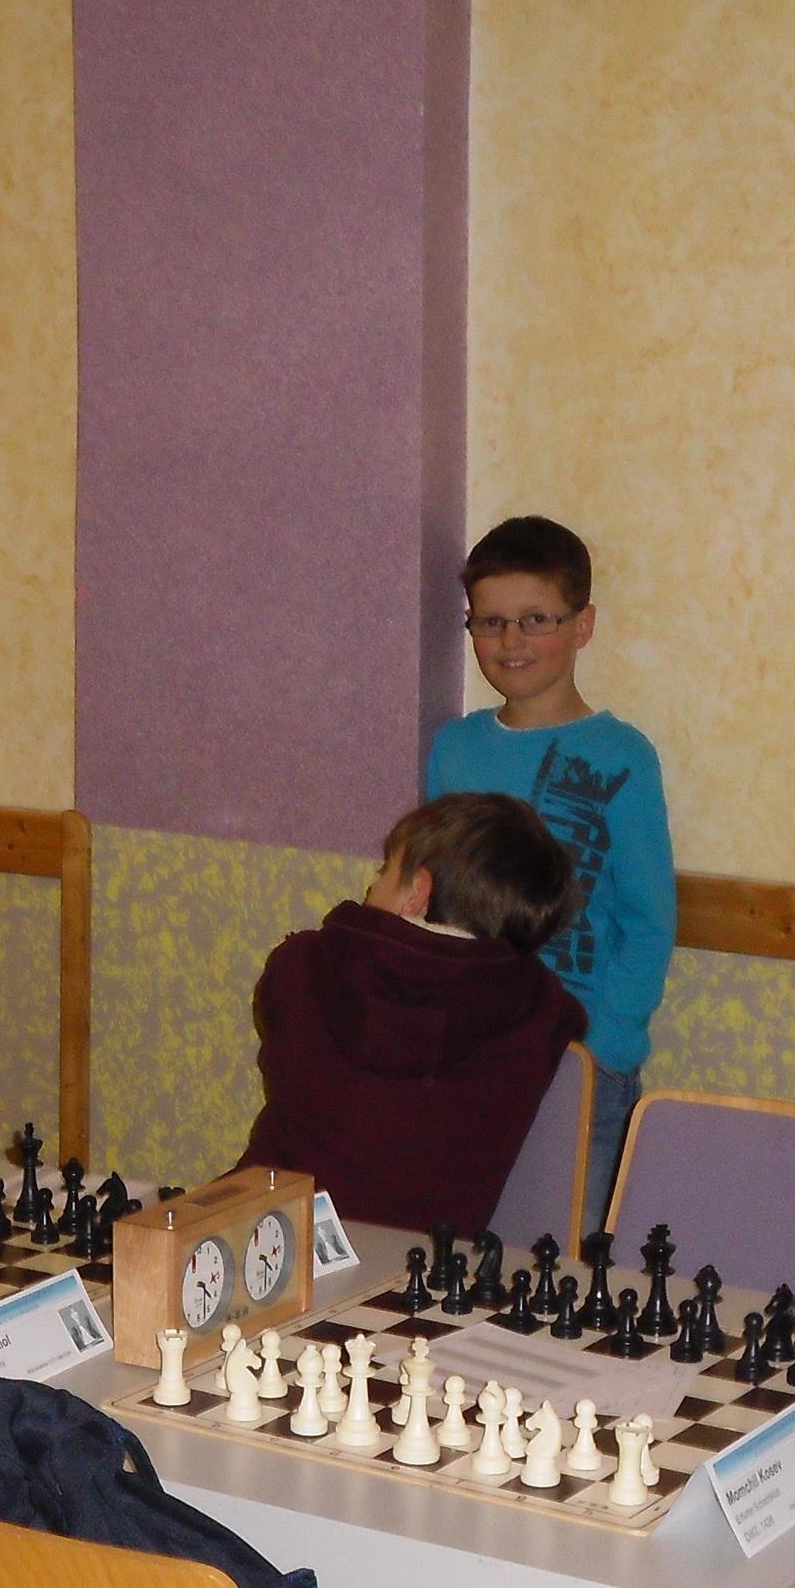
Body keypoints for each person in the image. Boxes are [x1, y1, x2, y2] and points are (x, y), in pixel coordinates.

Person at [424, 515, 675, 1235]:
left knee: (563, 1251)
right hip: (467, 1049)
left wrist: (606, 1046)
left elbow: (648, 920)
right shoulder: (454, 749)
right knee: (460, 1241)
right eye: (490, 622)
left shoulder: (622, 756)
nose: (511, 642)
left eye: (536, 619)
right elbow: (434, 901)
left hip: (580, 1059)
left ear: (582, 625)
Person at [234, 793, 584, 1235]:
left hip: (264, 1237)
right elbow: (569, 1017)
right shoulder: (537, 1010)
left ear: (416, 892)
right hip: (428, 1263)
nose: (371, 887)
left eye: (384, 871)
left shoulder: (300, 966)